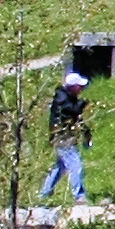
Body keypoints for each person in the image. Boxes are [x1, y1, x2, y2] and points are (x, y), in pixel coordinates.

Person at [40, 68, 91, 202]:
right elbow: (72, 111)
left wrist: (86, 132)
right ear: (72, 87)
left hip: (65, 136)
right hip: (63, 137)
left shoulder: (69, 98)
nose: (81, 89)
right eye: (79, 87)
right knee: (76, 164)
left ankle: (45, 193)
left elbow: (77, 119)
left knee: (60, 166)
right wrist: (83, 104)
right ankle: (79, 195)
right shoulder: (62, 99)